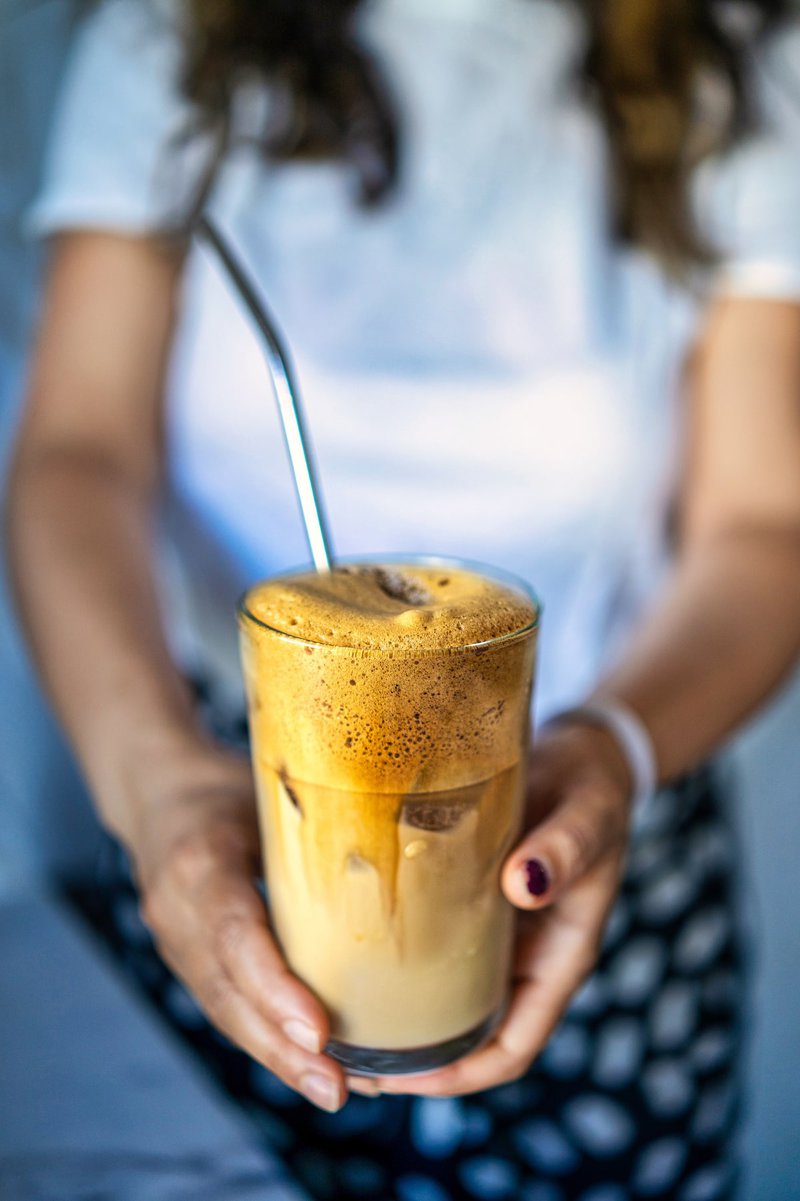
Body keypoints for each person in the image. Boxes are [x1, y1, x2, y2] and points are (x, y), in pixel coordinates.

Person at [8, 0, 800, 1197]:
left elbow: (764, 527)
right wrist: (152, 781)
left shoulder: (739, 60)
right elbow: (78, 456)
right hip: (234, 814)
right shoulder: (172, 37)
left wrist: (615, 747)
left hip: (597, 816)